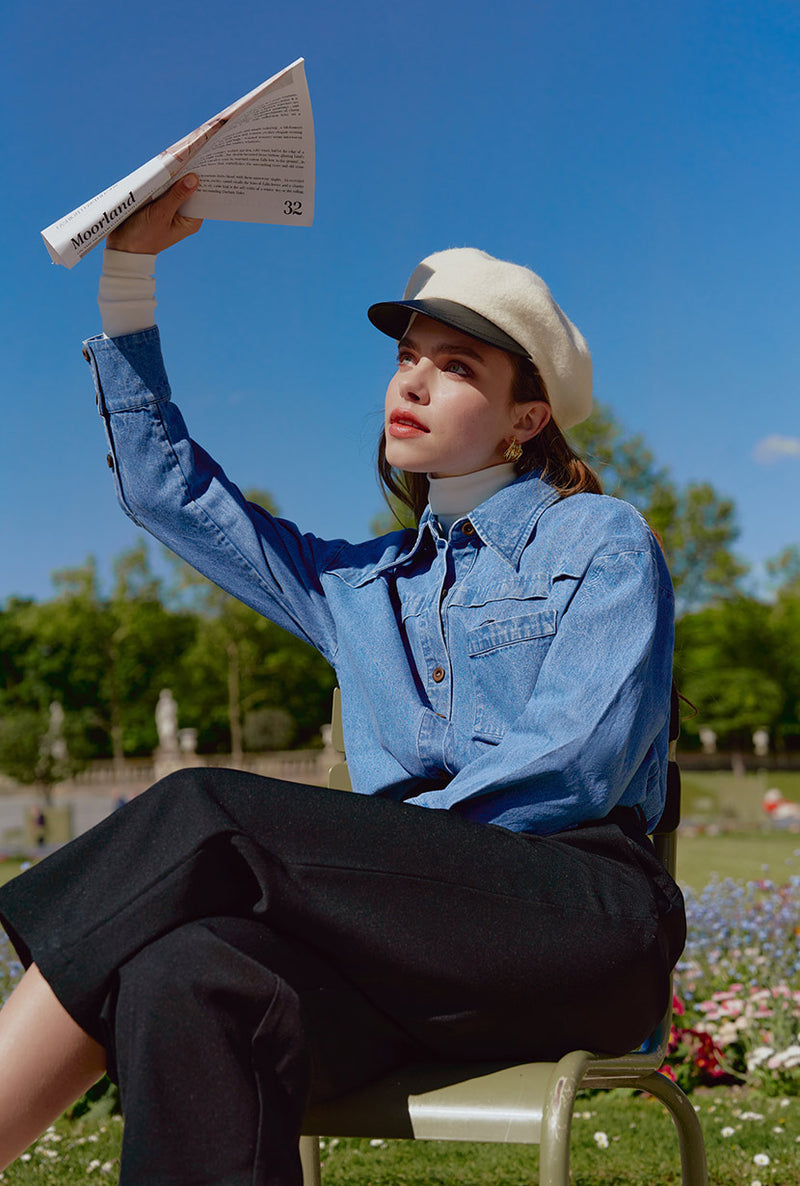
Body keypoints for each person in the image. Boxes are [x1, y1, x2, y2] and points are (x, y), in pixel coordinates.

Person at [0, 176, 685, 1185]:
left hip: (574, 927)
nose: (408, 382)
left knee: (206, 810)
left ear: (523, 417)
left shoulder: (598, 539)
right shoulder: (353, 586)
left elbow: (568, 774)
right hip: (400, 956)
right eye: (405, 358)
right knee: (186, 977)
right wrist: (128, 279)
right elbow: (171, 494)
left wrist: (352, 859)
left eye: (453, 367)